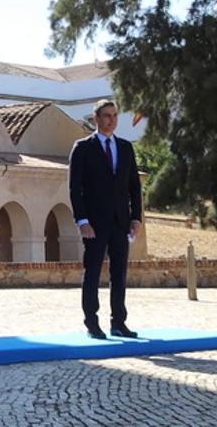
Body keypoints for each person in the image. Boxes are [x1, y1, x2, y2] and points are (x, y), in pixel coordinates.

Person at [69, 100, 142, 339]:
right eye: (107, 116)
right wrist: (82, 221)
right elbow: (75, 188)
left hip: (120, 221)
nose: (111, 120)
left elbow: (134, 187)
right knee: (92, 272)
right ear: (96, 118)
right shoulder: (82, 148)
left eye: (114, 115)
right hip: (94, 223)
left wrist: (136, 218)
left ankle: (118, 322)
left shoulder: (125, 147)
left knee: (119, 273)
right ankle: (92, 322)